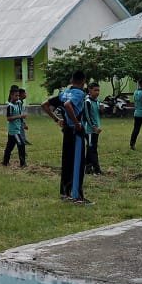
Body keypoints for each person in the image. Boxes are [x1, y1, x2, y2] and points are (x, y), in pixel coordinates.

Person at [43, 71, 90, 204]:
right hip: (76, 132)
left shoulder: (64, 93)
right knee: (78, 163)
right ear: (83, 81)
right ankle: (77, 196)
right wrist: (76, 123)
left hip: (67, 131)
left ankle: (65, 192)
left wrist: (57, 119)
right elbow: (68, 105)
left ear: (71, 80)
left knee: (67, 162)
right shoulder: (79, 93)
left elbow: (44, 105)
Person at [2, 87, 27, 167]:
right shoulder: (10, 106)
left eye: (18, 96)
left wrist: (23, 124)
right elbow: (8, 118)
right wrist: (20, 116)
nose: (18, 97)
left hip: (17, 129)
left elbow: (20, 115)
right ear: (11, 96)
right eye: (16, 96)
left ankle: (5, 162)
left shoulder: (19, 103)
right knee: (21, 145)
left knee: (9, 147)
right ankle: (23, 164)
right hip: (14, 131)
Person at [83, 83, 103, 175]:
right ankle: (97, 169)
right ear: (90, 90)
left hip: (96, 128)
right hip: (90, 129)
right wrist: (94, 127)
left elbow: (97, 114)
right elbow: (87, 116)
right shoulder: (87, 101)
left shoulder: (97, 101)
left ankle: (87, 168)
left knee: (91, 148)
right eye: (95, 90)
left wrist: (102, 110)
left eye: (98, 90)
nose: (97, 92)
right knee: (93, 149)